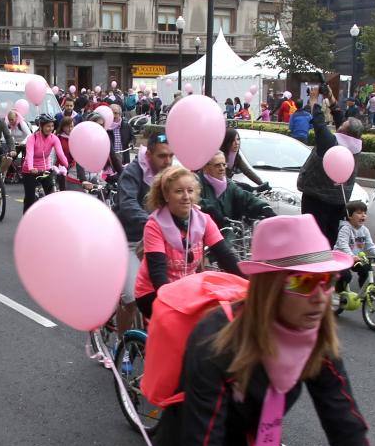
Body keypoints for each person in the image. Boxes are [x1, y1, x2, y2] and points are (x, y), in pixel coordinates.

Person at [144, 214, 375, 446]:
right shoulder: (215, 342)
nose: (319, 297)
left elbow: (344, 425)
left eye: (327, 280)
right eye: (302, 281)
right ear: (269, 288)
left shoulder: (316, 336)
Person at [134, 166, 241, 318]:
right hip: (152, 292)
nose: (186, 197)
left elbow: (225, 256)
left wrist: (248, 283)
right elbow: (157, 273)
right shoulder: (155, 225)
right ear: (166, 195)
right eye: (179, 191)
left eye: (190, 191)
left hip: (187, 289)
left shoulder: (204, 220)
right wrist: (173, 300)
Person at [115, 133, 174, 331]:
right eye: (162, 156)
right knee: (131, 298)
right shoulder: (132, 172)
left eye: (171, 156)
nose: (168, 161)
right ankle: (122, 348)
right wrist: (151, 223)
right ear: (148, 154)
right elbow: (127, 204)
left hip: (157, 241)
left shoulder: (171, 174)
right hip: (130, 241)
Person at [297, 87, 364, 245]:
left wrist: (314, 101)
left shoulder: (330, 143)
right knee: (332, 241)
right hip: (339, 202)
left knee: (314, 239)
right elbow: (340, 117)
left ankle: (319, 268)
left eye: (342, 125)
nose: (339, 125)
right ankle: (334, 268)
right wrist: (331, 97)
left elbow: (319, 123)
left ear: (344, 131)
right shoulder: (356, 147)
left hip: (316, 199)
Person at [199, 151, 276, 240]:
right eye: (217, 165)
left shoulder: (229, 184)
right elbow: (197, 202)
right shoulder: (197, 184)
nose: (222, 168)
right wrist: (212, 211)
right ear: (205, 167)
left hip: (228, 233)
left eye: (224, 165)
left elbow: (244, 197)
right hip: (204, 235)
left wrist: (264, 207)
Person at [334, 200, 375, 294]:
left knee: (367, 269)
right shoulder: (345, 229)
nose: (363, 215)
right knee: (346, 276)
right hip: (342, 258)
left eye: (365, 213)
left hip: (357, 259)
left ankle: (364, 293)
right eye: (359, 213)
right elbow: (343, 244)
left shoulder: (365, 230)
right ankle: (339, 292)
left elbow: (370, 245)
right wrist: (351, 256)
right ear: (349, 216)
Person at [21, 113, 68, 213]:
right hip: (30, 171)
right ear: (41, 126)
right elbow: (30, 154)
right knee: (30, 198)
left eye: (52, 126)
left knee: (51, 195)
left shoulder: (54, 138)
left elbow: (60, 153)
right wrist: (30, 168)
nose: (50, 128)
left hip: (45, 169)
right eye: (47, 126)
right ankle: (26, 218)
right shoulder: (32, 138)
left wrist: (66, 165)